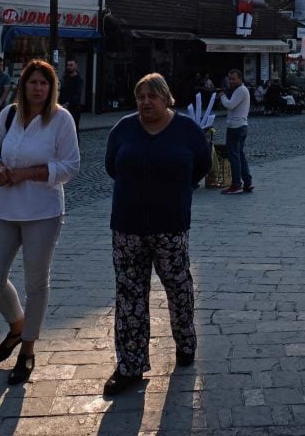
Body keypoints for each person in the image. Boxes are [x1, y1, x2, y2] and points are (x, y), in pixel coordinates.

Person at [103, 72, 211, 395]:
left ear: (166, 98)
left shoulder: (187, 131)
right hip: (128, 227)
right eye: (140, 97)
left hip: (171, 227)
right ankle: (130, 365)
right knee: (129, 297)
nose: (145, 102)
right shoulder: (123, 129)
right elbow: (112, 166)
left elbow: (201, 166)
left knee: (179, 289)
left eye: (152, 96)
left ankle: (185, 342)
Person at [0, 59, 80, 385]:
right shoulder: (9, 114)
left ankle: (27, 351)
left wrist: (27, 173)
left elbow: (70, 166)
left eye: (44, 83)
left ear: (52, 88)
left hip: (43, 212)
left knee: (36, 283)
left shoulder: (61, 119)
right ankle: (17, 325)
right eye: (33, 82)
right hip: (4, 207)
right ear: (24, 85)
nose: (38, 87)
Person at [219, 68, 253, 194]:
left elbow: (230, 105)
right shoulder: (241, 90)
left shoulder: (240, 90)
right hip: (242, 125)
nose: (231, 81)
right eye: (230, 79)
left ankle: (236, 184)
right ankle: (247, 182)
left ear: (240, 78)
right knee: (240, 155)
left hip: (236, 126)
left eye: (234, 79)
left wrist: (222, 97)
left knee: (234, 156)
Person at [59, 59, 83, 137]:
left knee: (74, 130)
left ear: (75, 66)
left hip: (74, 109)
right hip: (62, 108)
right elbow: (61, 92)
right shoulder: (65, 78)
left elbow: (77, 94)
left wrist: (68, 103)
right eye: (68, 65)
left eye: (71, 65)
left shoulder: (78, 80)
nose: (69, 67)